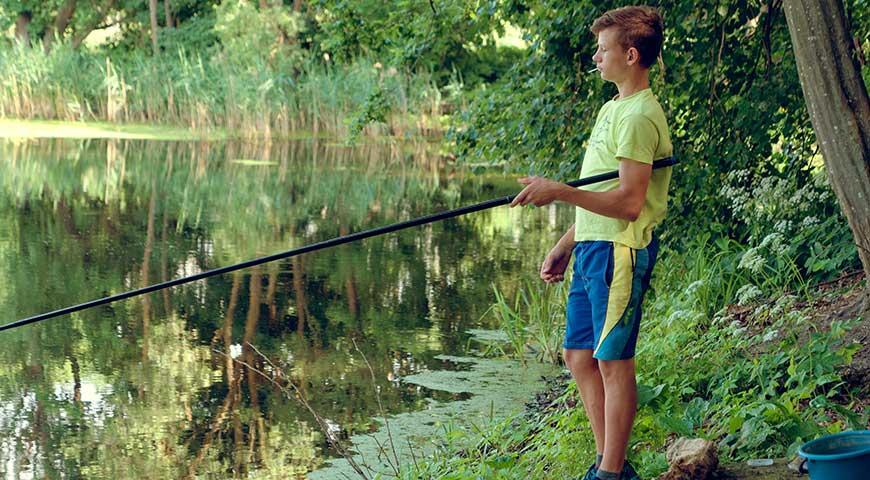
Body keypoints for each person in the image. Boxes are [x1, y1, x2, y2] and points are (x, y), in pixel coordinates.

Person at [509, 6, 672, 480]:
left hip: (620, 251)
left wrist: (558, 190)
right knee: (579, 356)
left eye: (603, 49)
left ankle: (610, 474)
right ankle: (609, 464)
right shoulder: (612, 108)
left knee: (613, 362)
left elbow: (628, 203)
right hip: (593, 249)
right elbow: (604, 191)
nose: (596, 57)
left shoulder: (641, 116)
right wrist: (566, 242)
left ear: (631, 53)